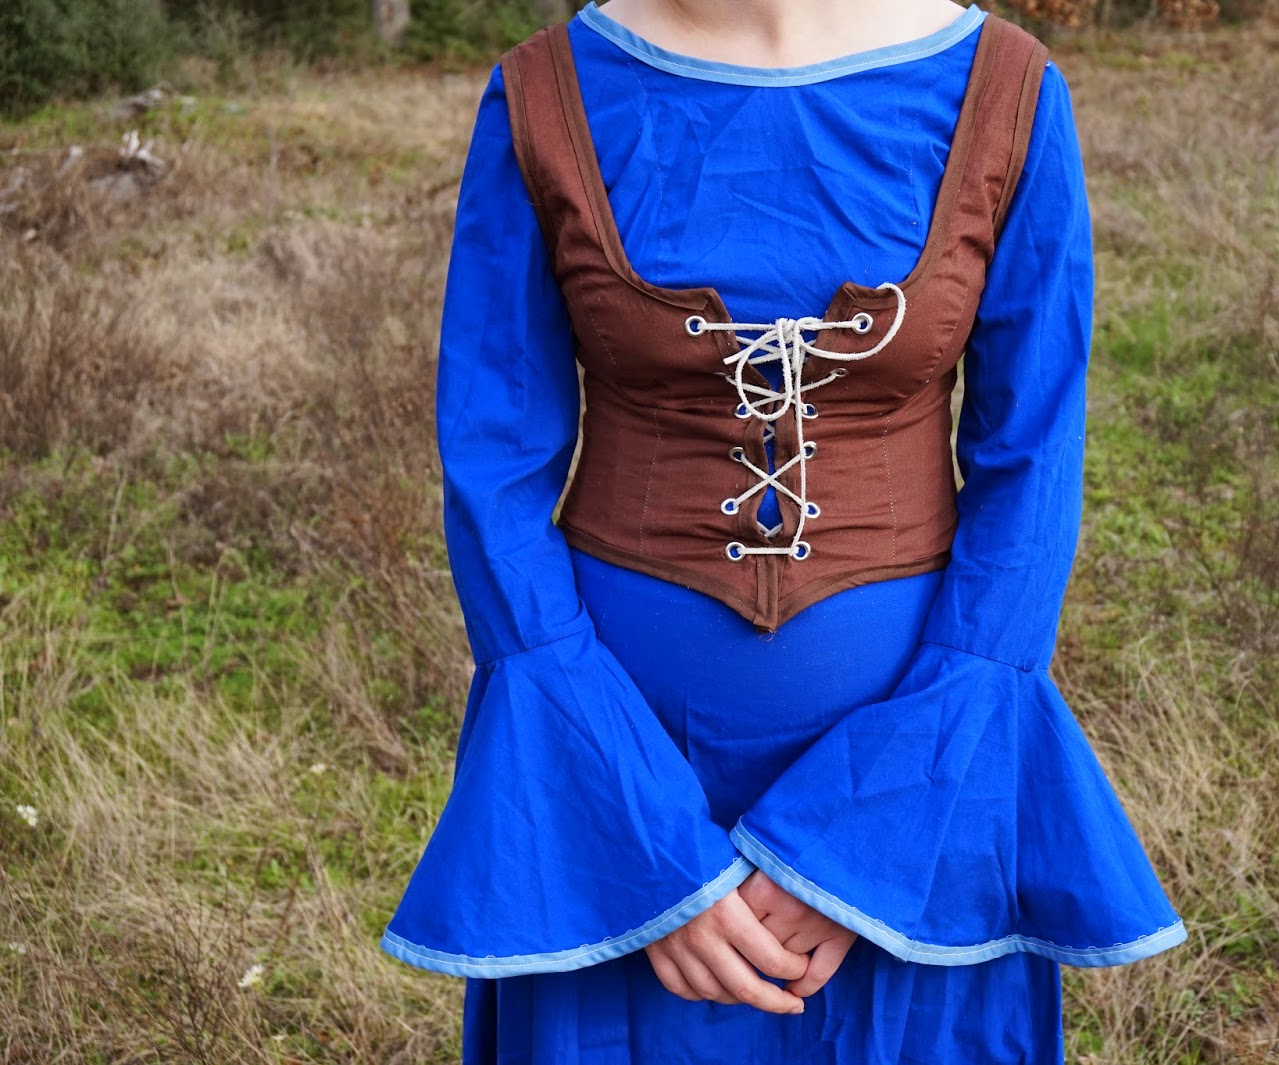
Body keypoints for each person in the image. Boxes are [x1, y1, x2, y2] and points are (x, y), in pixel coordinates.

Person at [380, 1, 1188, 1061]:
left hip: (924, 761)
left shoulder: (1006, 90)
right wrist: (636, 836)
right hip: (614, 760)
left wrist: (877, 830)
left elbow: (1032, 465)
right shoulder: (547, 92)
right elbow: (492, 466)